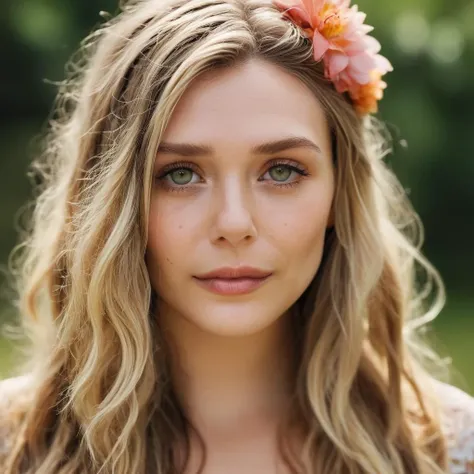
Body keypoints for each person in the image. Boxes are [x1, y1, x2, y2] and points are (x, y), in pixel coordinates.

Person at [0, 0, 473, 472]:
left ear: (339, 192)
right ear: (114, 198)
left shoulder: (450, 449)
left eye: (282, 170)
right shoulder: (13, 451)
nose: (233, 223)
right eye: (181, 174)